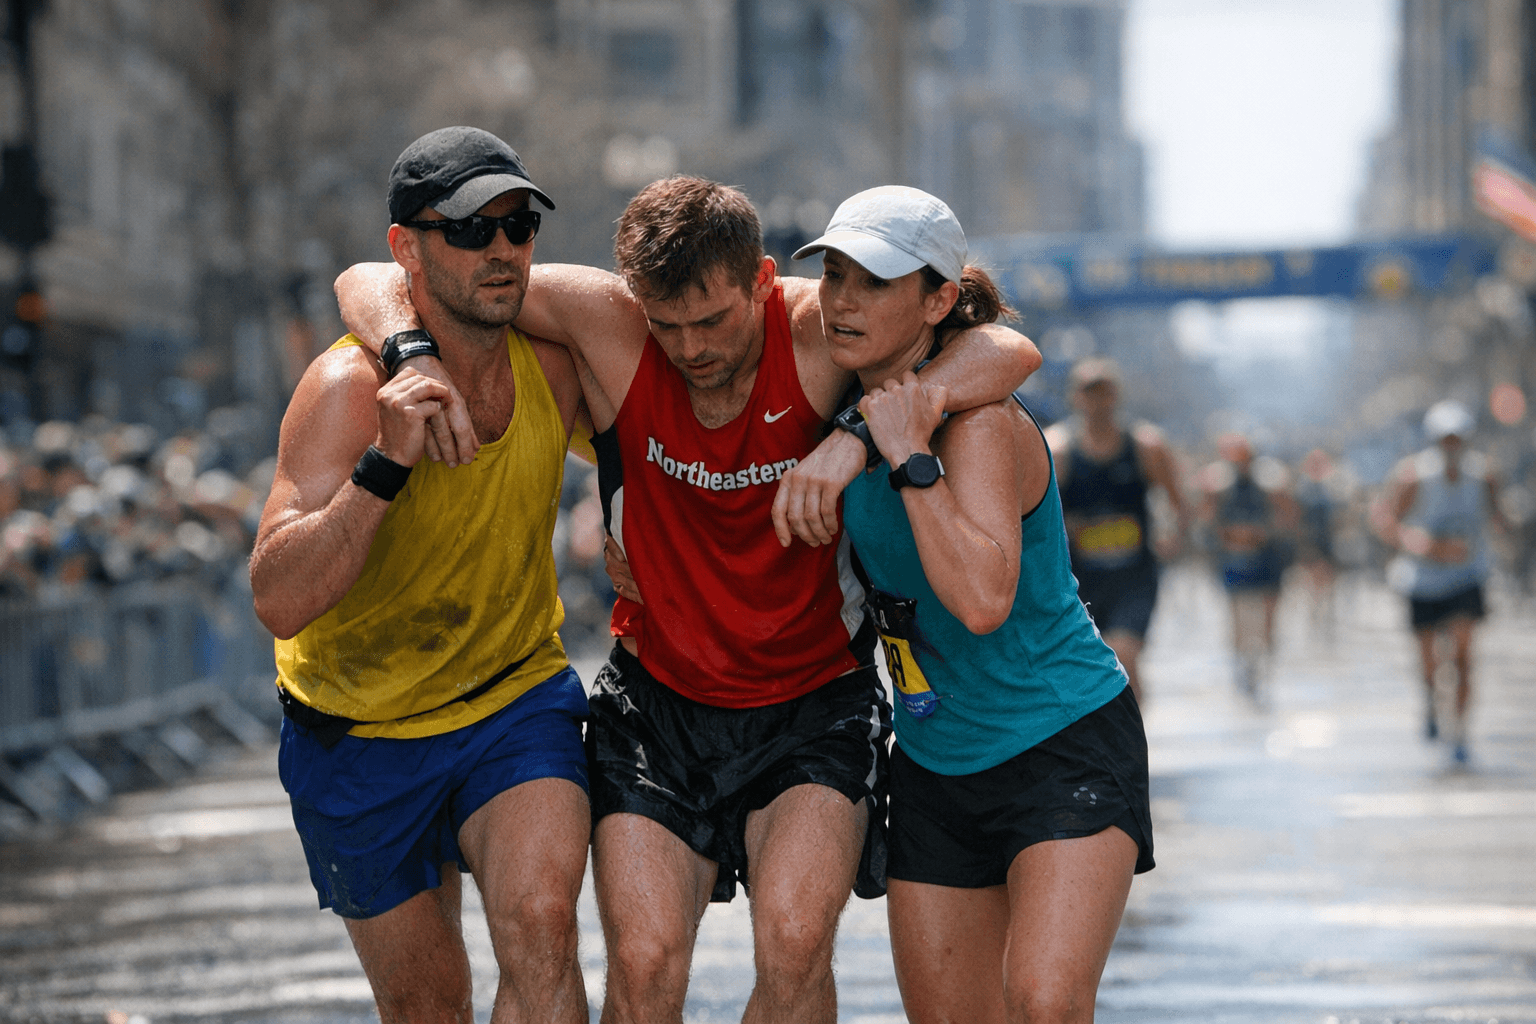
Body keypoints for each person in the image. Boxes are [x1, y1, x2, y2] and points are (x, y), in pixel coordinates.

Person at [333, 175, 1039, 1024]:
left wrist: (848, 443)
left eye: (712, 321)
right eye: (667, 326)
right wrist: (410, 352)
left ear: (763, 281)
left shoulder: (818, 327)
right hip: (657, 703)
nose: (691, 348)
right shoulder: (606, 322)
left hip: (815, 701)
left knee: (792, 941)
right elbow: (373, 281)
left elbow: (1002, 350)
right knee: (643, 961)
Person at [773, 185, 1153, 1024]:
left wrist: (906, 455)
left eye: (873, 281)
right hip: (937, 764)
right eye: (833, 274)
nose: (842, 299)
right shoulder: (837, 374)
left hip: (1061, 741)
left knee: (1045, 1005)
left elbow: (982, 601)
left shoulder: (975, 424)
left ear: (939, 299)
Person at [249, 127, 593, 1024]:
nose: (503, 251)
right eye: (472, 230)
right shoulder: (343, 390)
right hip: (356, 730)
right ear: (408, 246)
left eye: (519, 227)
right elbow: (277, 598)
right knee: (428, 1003)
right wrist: (383, 469)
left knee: (544, 924)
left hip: (514, 699)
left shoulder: (554, 364)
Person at [1043, 356, 1188, 703]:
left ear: (1117, 396)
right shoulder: (1057, 450)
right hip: (1079, 577)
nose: (1098, 402)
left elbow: (1178, 500)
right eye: (1089, 393)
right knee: (1087, 665)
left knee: (1125, 654)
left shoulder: (1146, 447)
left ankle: (1134, 735)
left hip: (1132, 575)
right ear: (1075, 397)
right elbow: (1034, 514)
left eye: (1105, 393)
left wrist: (1175, 537)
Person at [1374, 400, 1508, 764]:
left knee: (1464, 657)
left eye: (1457, 439)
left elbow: (1499, 518)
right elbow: (1386, 519)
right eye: (1445, 439)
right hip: (1422, 580)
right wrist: (1417, 542)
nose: (1452, 446)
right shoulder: (1413, 475)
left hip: (1467, 576)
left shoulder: (1483, 475)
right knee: (1429, 659)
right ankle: (1432, 701)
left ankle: (1460, 729)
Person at [1197, 432, 1298, 700]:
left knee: (1267, 619)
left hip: (1267, 558)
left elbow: (1287, 518)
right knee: (1238, 618)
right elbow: (1207, 521)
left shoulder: (1271, 481)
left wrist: (1263, 533)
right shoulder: (1219, 483)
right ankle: (1243, 664)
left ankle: (1262, 664)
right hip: (1234, 560)